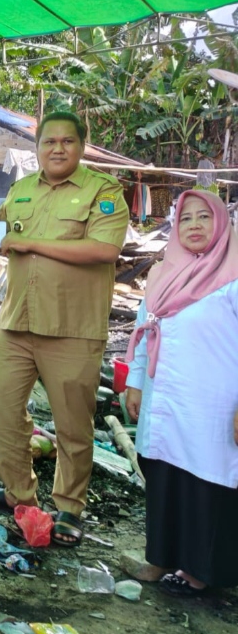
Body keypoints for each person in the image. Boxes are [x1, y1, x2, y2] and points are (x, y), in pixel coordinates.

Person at [0, 111, 128, 546]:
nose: (57, 149)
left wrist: (29, 243)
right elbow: (1, 235)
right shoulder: (21, 190)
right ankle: (19, 496)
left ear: (81, 146)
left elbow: (104, 249)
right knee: (3, 414)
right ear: (37, 147)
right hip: (16, 322)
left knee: (72, 426)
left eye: (67, 141)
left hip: (72, 327)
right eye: (49, 142)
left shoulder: (103, 191)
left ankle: (68, 507)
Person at [125, 190, 238, 596]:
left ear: (221, 224)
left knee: (206, 483)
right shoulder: (162, 274)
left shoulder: (234, 275)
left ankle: (201, 571)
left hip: (213, 404)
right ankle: (161, 558)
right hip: (164, 397)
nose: (193, 225)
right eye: (185, 218)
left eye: (203, 217)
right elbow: (142, 331)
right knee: (163, 476)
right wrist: (135, 383)